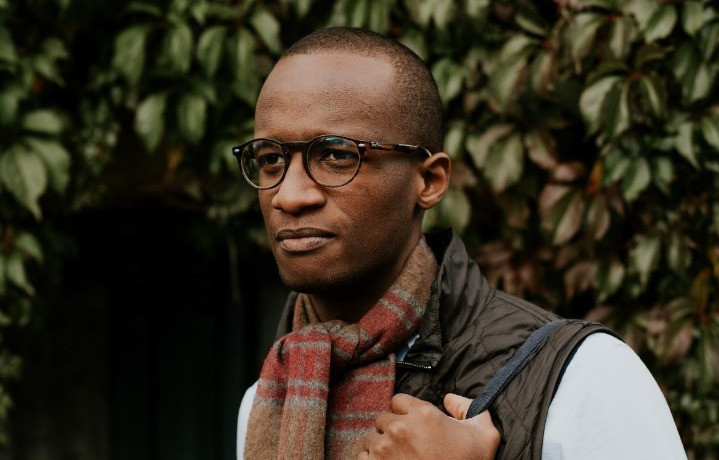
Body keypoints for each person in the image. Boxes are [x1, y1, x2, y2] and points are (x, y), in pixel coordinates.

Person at [234, 27, 686, 460]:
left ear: (429, 181)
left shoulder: (582, 378)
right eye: (270, 159)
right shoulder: (270, 399)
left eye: (336, 155)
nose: (289, 196)